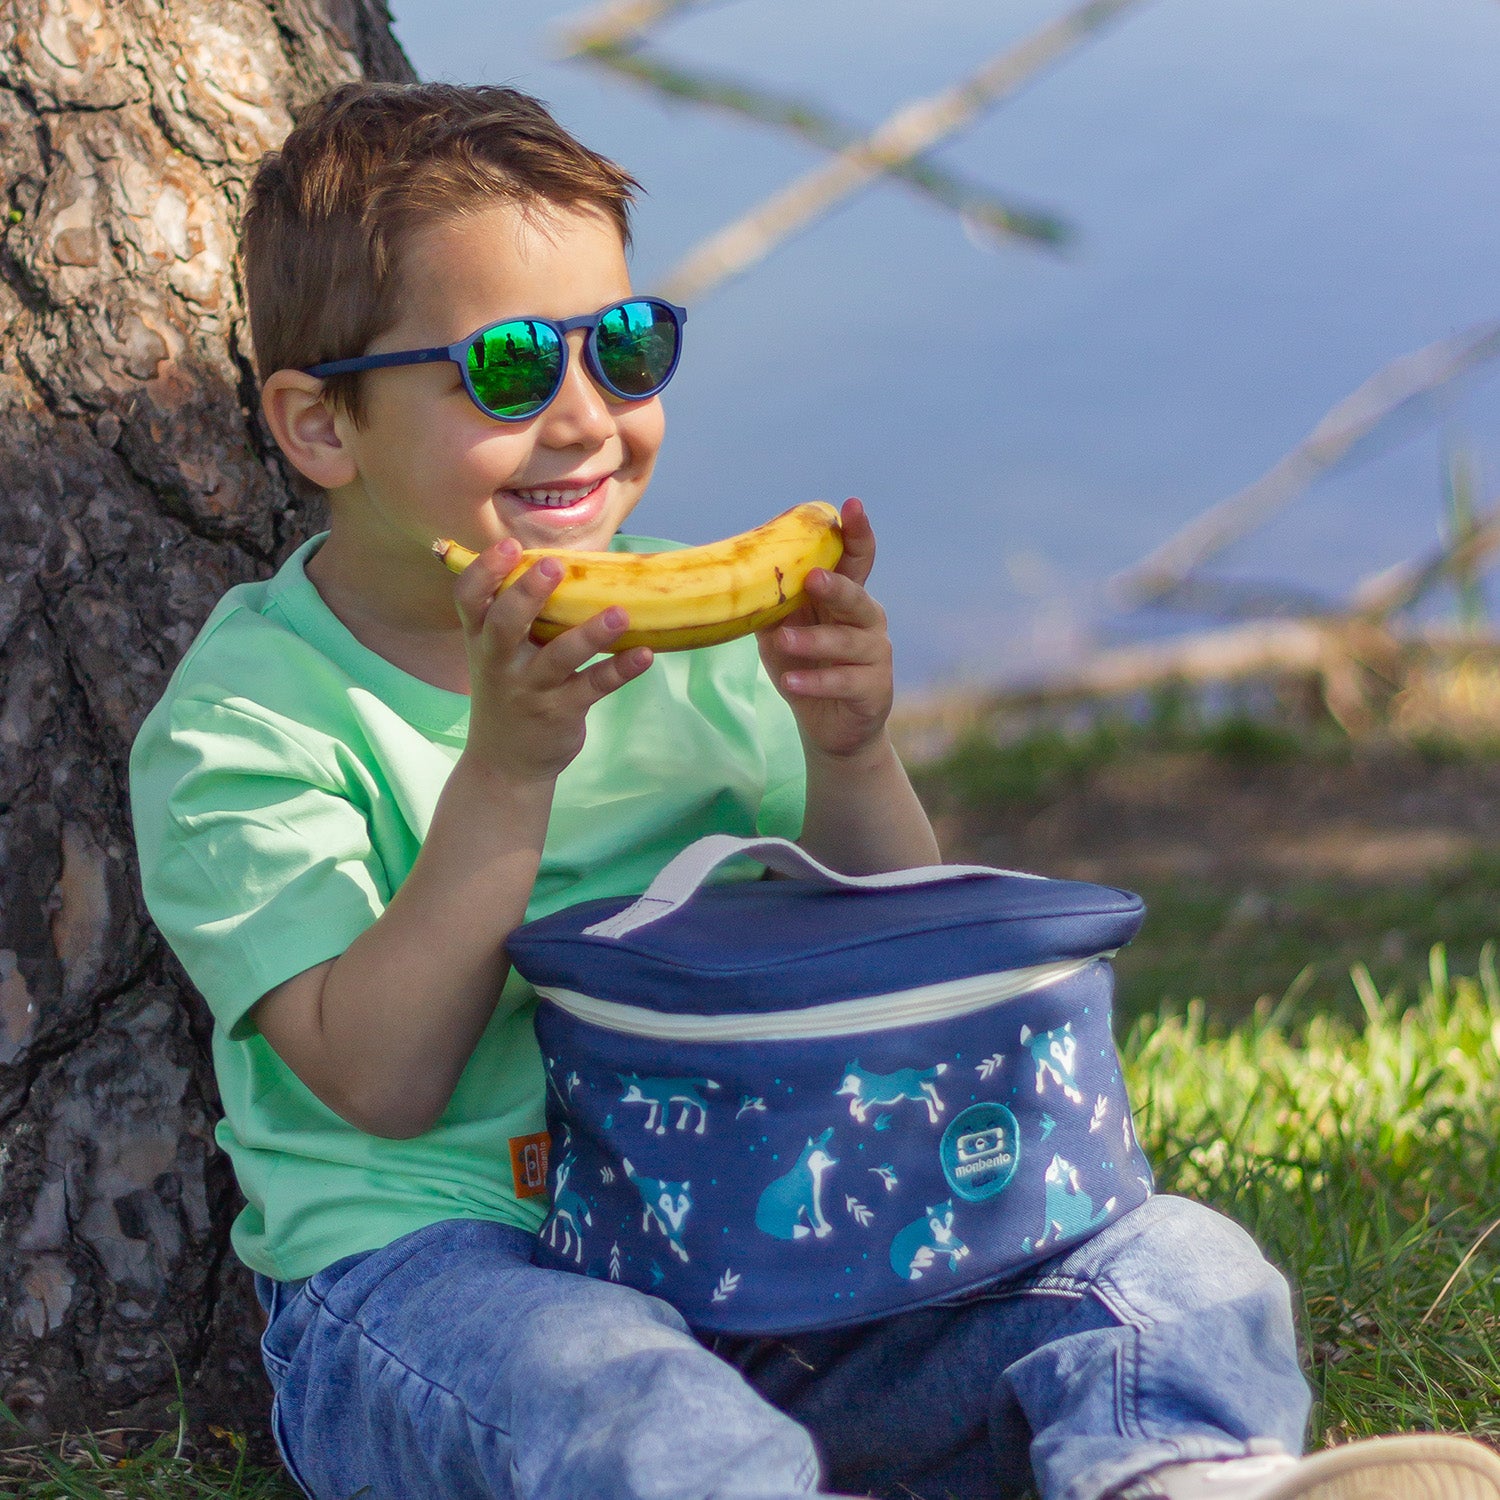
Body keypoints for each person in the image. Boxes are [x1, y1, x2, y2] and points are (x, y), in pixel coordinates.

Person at [128, 80, 1500, 1500]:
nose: (589, 419)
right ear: (320, 428)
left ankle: (1182, 1477)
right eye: (511, 369)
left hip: (791, 1260)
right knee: (612, 1395)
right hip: (454, 1280)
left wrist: (851, 754)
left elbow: (899, 942)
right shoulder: (249, 723)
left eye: (630, 349)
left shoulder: (707, 649)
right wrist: (504, 777)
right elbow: (383, 1081)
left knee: (1175, 1266)